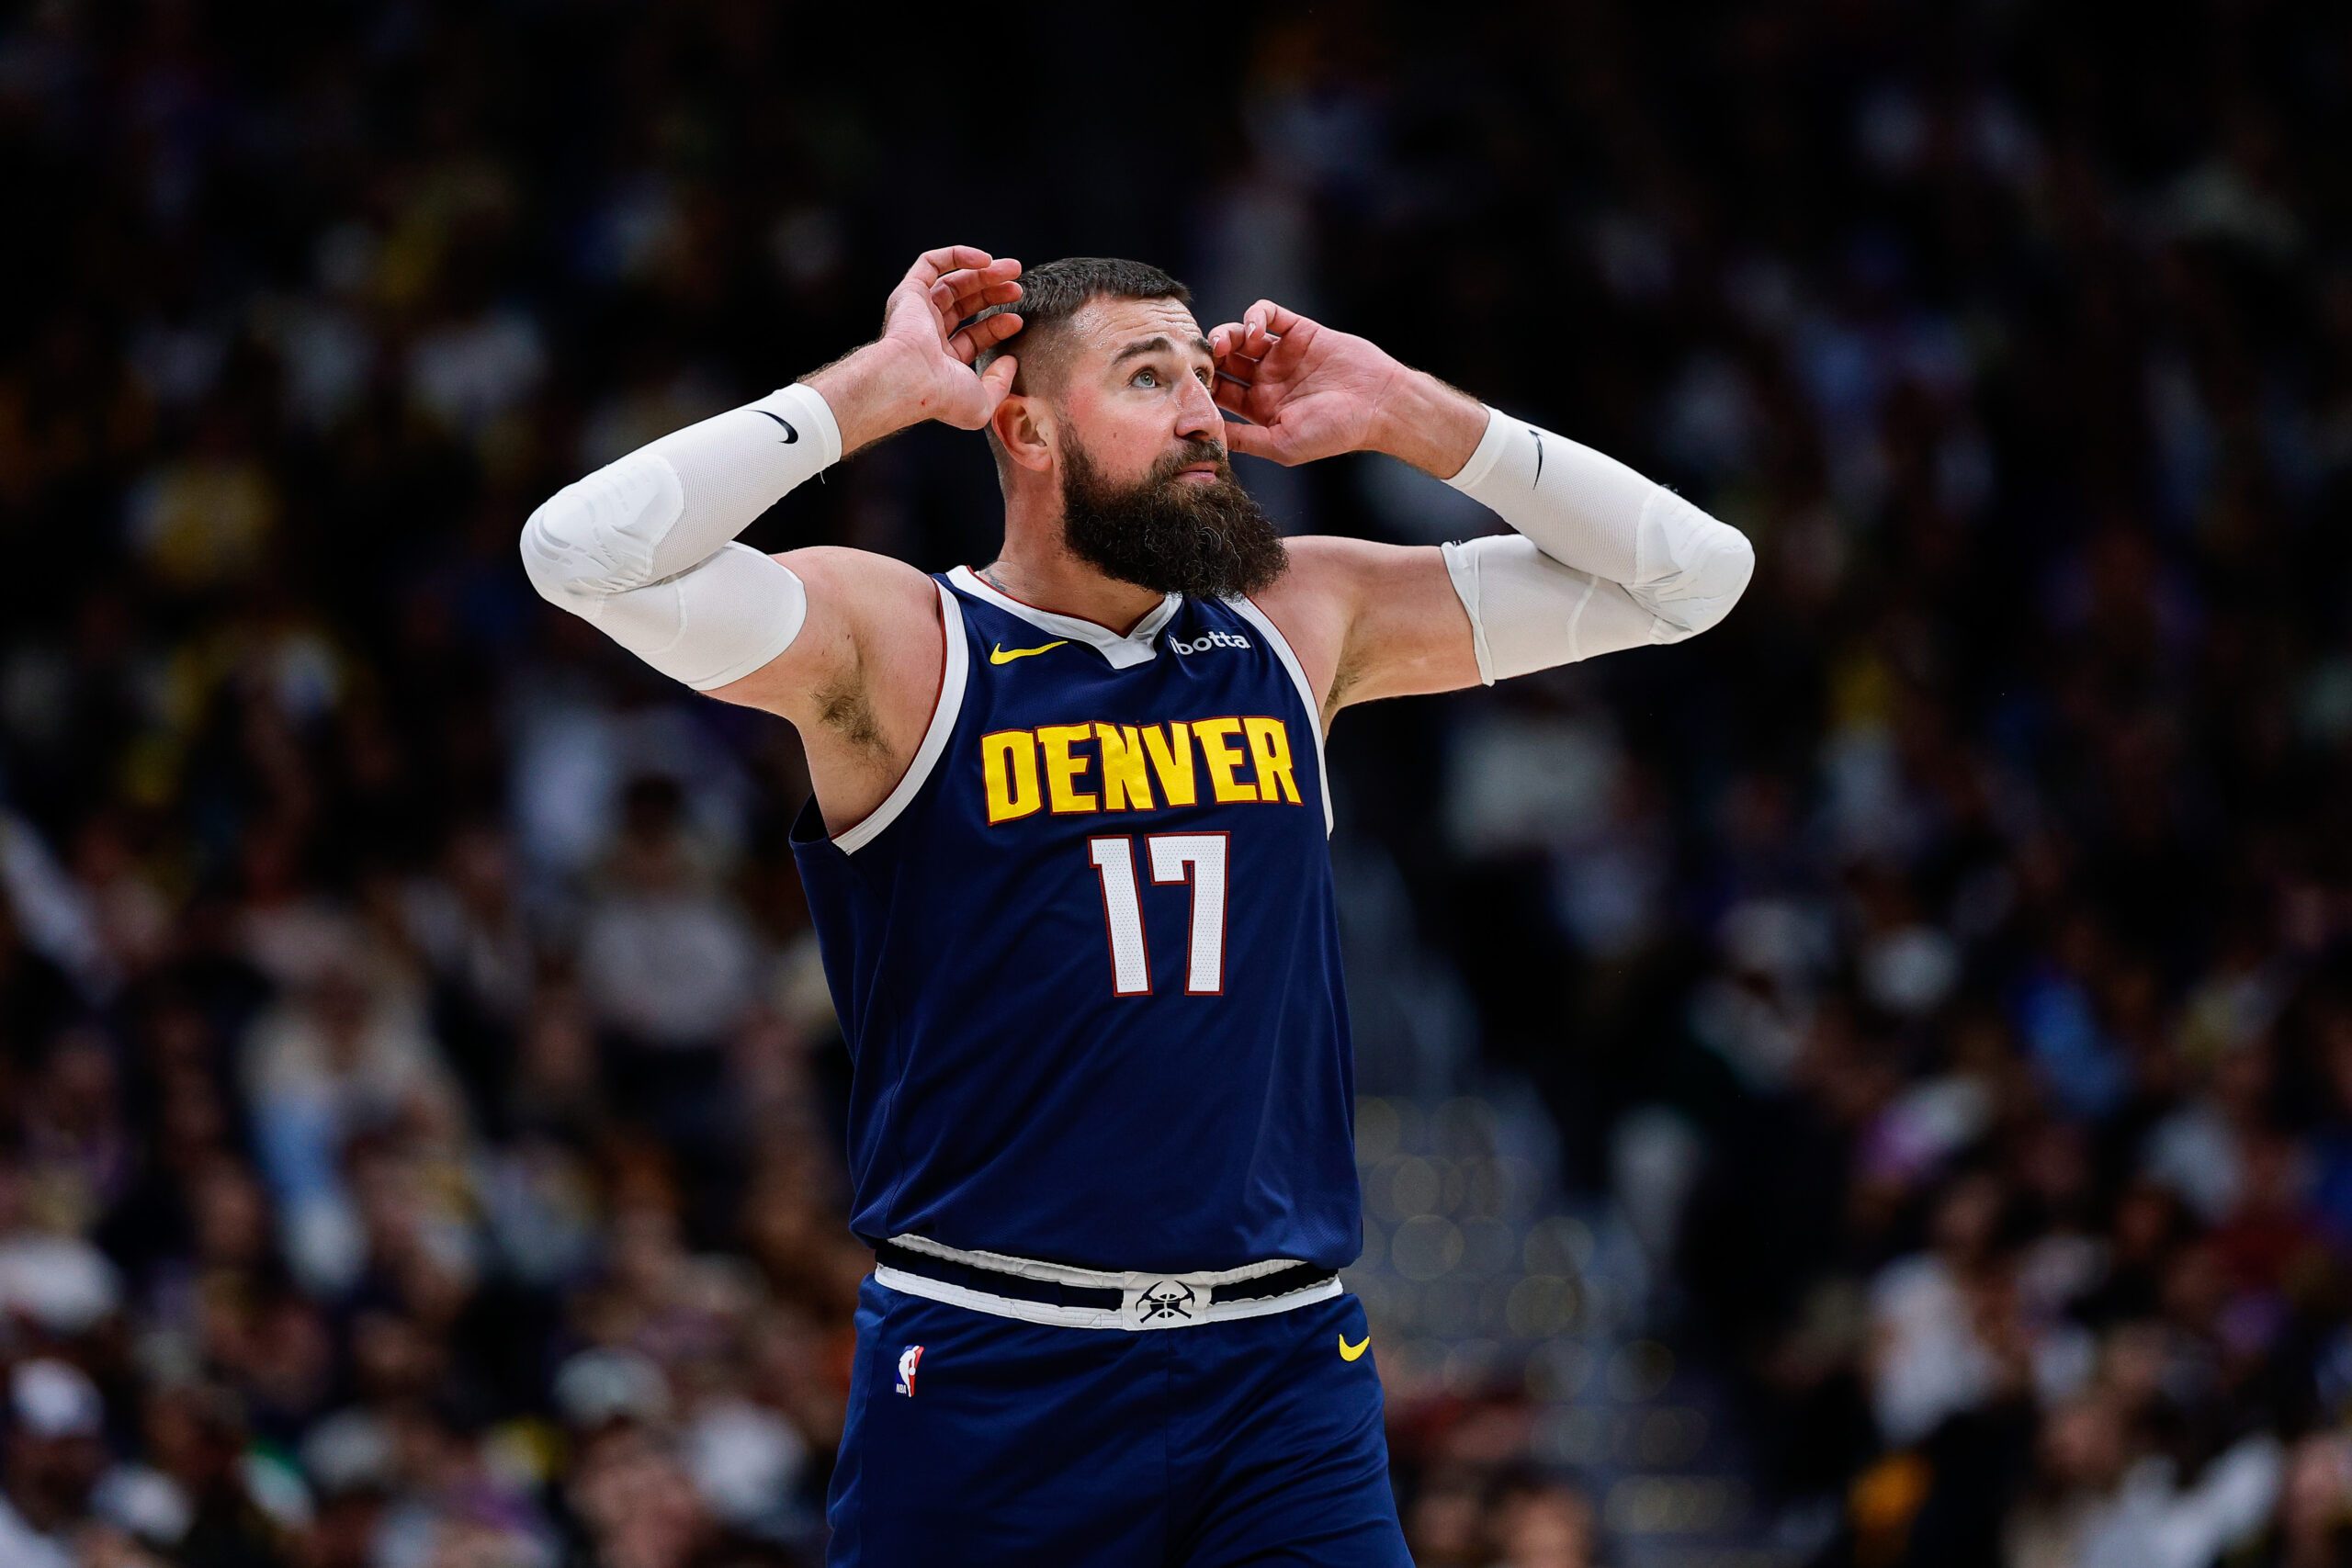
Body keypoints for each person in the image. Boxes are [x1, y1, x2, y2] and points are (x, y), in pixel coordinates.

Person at [521, 245, 1753, 1565]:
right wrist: (872, 390)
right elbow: (582, 554)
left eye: (1200, 377)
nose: (1197, 411)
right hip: (996, 1367)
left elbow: (1695, 576)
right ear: (1025, 424)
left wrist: (1407, 412)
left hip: (1282, 1372)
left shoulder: (1294, 621)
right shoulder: (904, 645)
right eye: (1147, 376)